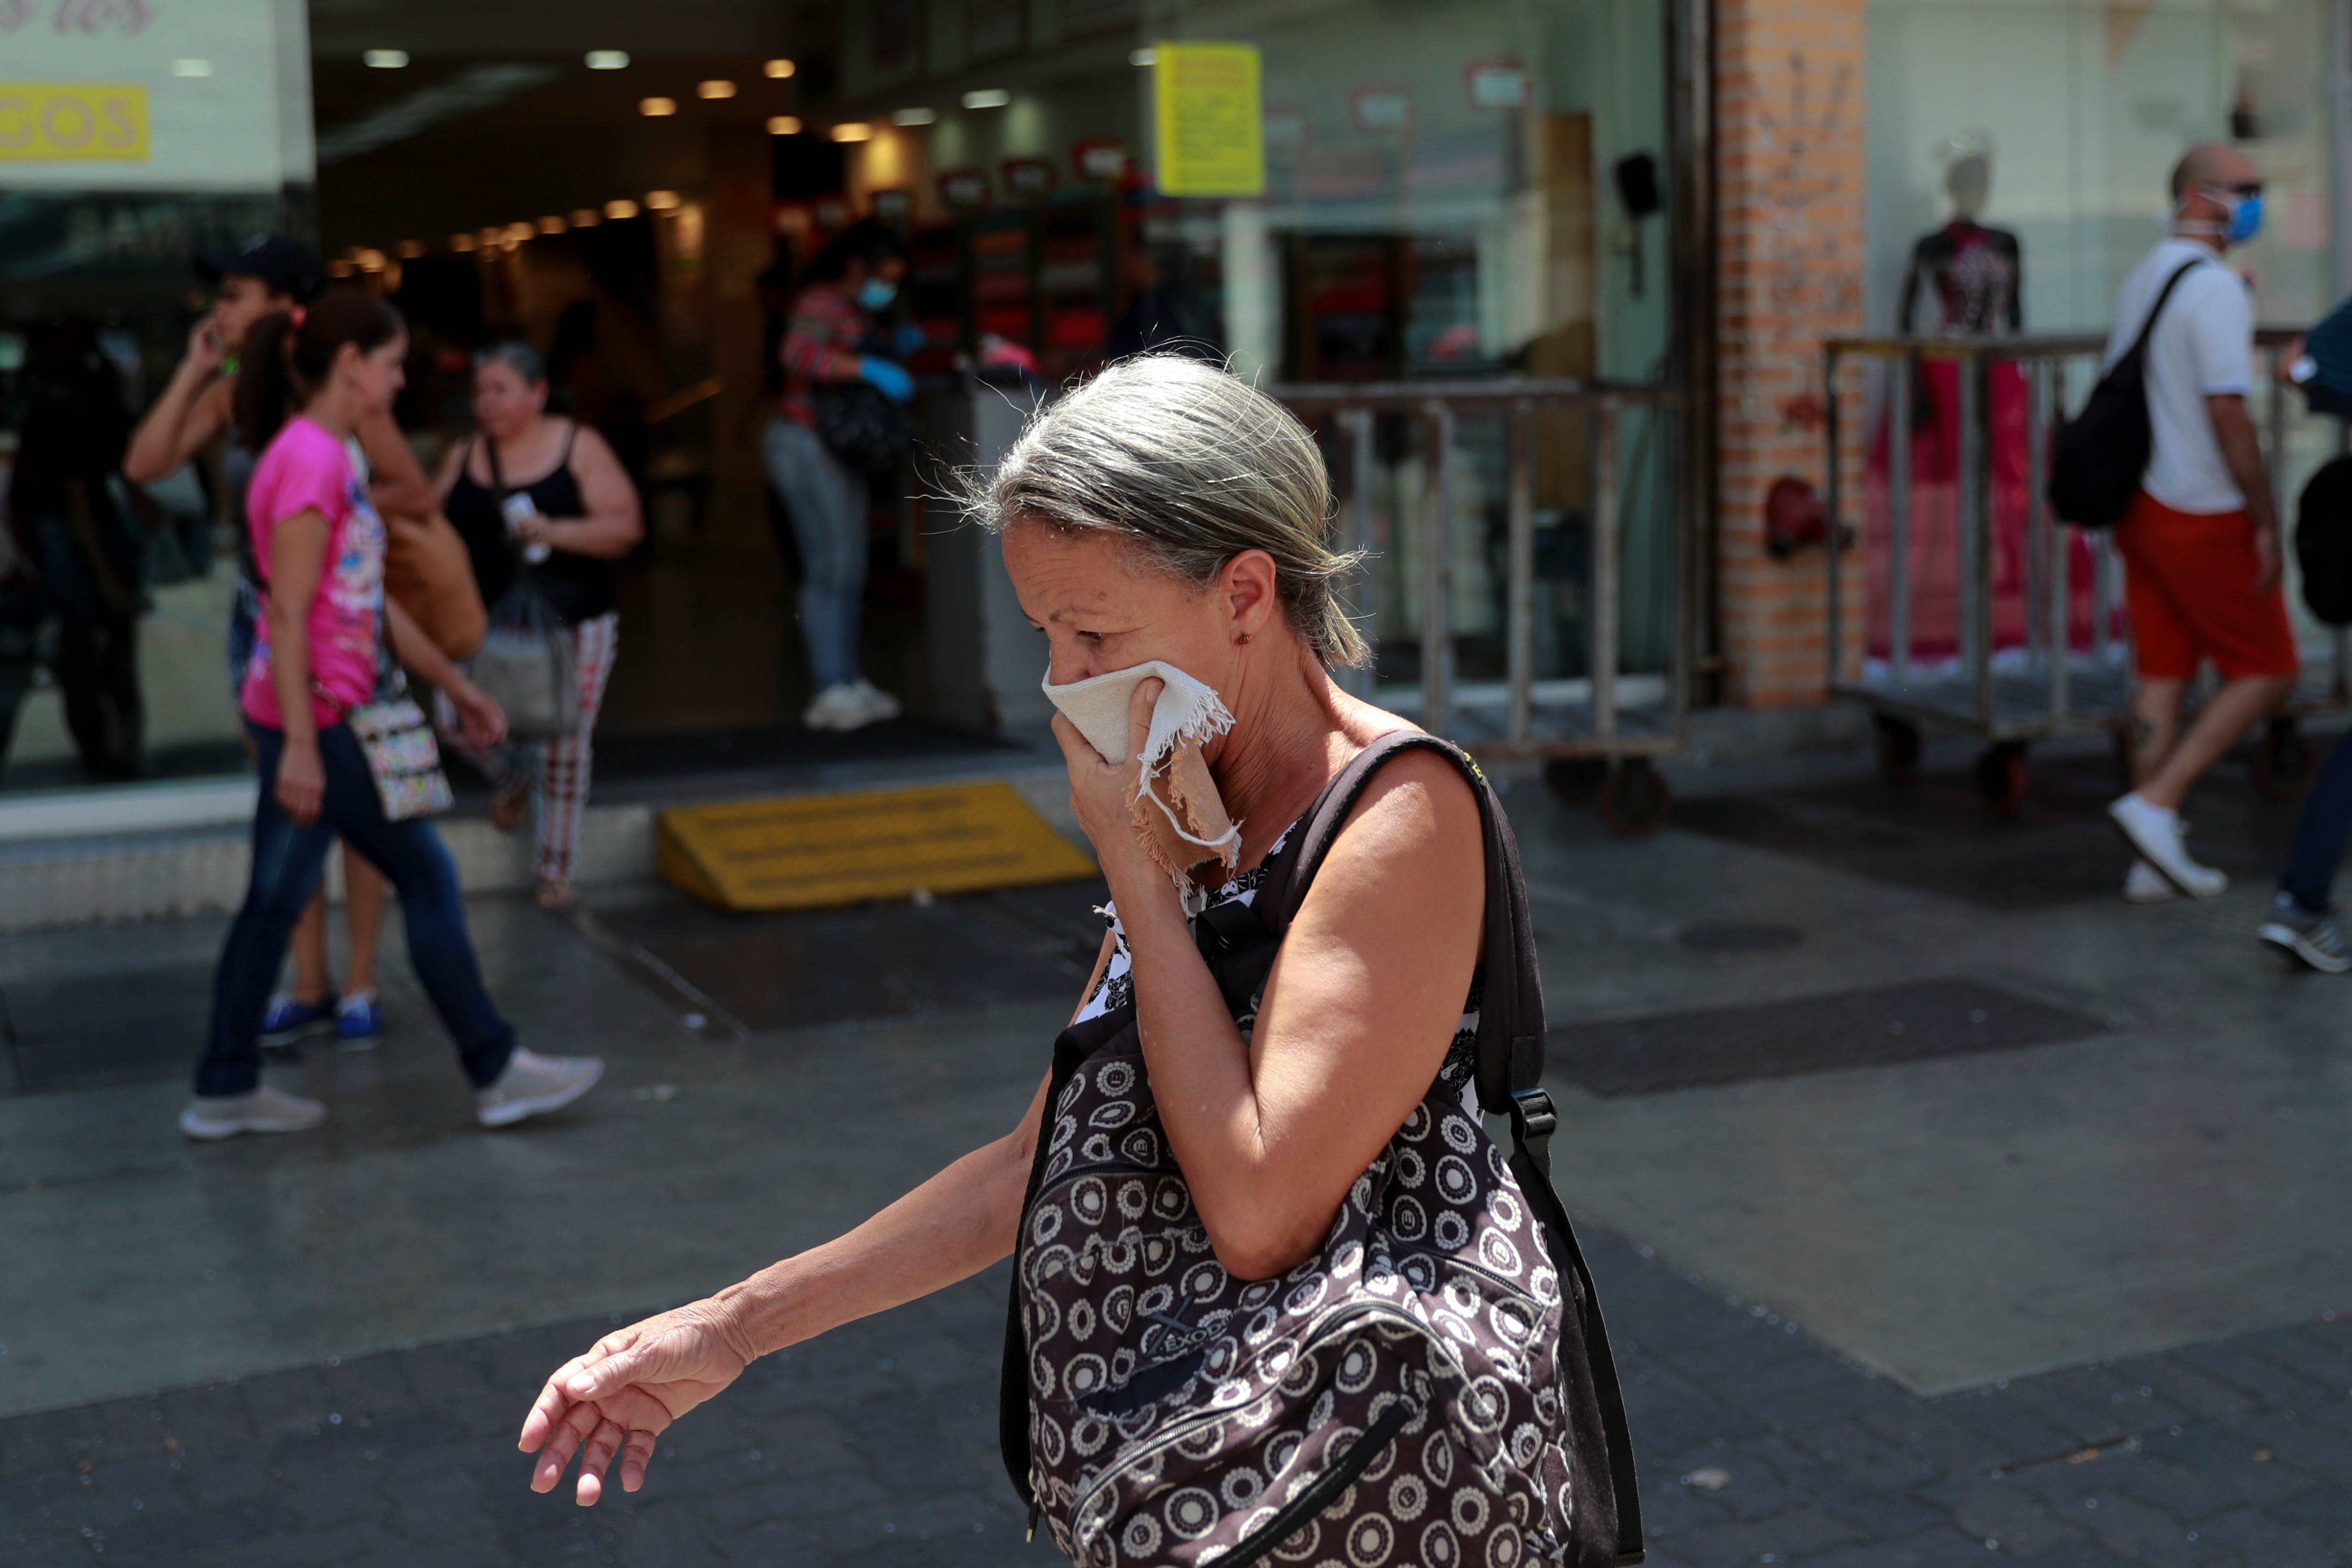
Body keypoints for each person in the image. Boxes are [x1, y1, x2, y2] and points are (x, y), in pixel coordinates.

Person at [514, 359, 1562, 1538]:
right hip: (1198, 1501)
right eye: (1043, 632)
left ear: (1246, 595)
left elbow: (1262, 1208)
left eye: (1095, 630)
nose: (1064, 678)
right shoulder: (1188, 796)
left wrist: (1135, 874)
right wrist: (732, 1327)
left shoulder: (1395, 814)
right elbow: (1040, 1159)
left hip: (1365, 1492)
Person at [181, 289, 603, 1140]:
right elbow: (291, 613)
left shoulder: (327, 453)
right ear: (350, 367)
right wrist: (302, 744)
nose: (401, 377)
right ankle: (495, 1067)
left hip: (316, 714)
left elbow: (361, 598)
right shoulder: (308, 459)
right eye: (390, 362)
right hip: (324, 720)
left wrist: (457, 680)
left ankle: (225, 1087)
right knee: (428, 878)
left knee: (274, 901)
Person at [124, 237, 432, 1050]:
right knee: (291, 798)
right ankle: (310, 982)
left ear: (286, 304)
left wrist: (341, 514)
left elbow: (414, 487)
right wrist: (196, 366)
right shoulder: (237, 393)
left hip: (339, 616)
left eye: (235, 293)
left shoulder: (341, 389)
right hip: (259, 615)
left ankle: (360, 979)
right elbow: (144, 462)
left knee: (359, 801)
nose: (219, 309)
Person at [2105, 145, 2299, 901]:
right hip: (2202, 506)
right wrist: (2263, 514)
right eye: (2242, 189)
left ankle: (2150, 853)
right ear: (2196, 196)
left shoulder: (2149, 274)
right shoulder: (2213, 288)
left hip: (2144, 506)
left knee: (2161, 674)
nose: (2256, 201)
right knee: (2270, 667)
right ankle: (2155, 804)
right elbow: (2227, 409)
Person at [438, 343, 643, 910]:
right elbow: (429, 523)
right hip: (481, 620)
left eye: (500, 391)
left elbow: (625, 528)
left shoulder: (579, 445)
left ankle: (557, 868)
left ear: (538, 393)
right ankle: (516, 775)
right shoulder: (464, 452)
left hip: (573, 619)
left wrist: (550, 532)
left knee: (565, 738)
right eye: (480, 391)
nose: (487, 403)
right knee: (456, 719)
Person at [763, 220, 913, 733]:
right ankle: (828, 688)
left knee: (849, 566)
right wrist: (865, 369)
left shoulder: (854, 310)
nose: (888, 287)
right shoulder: (819, 302)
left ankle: (848, 680)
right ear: (856, 267)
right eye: (885, 276)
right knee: (829, 567)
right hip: (804, 444)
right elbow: (796, 355)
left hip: (834, 451)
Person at [7, 320, 144, 780]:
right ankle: (102, 750)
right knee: (83, 645)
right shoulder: (65, 406)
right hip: (72, 534)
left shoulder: (75, 404)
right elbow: (78, 492)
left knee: (94, 644)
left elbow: (86, 489)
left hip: (83, 531)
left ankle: (110, 748)